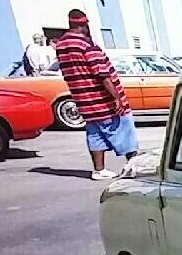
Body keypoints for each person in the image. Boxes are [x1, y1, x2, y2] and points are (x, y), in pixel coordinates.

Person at [55, 10, 139, 180]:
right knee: (124, 130)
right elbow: (102, 74)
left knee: (95, 134)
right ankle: (133, 166)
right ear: (83, 24)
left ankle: (99, 170)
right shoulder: (86, 45)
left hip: (84, 101)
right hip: (103, 100)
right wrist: (116, 97)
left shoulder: (61, 45)